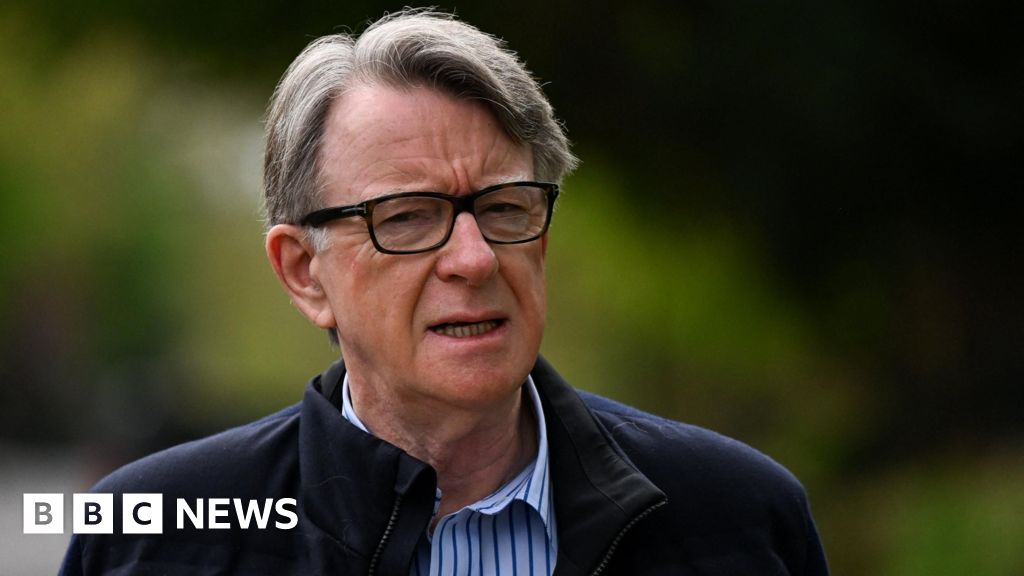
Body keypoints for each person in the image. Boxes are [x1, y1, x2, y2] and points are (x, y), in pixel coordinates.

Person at [61, 9, 829, 575]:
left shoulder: (741, 522)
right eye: (407, 217)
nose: (474, 258)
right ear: (303, 271)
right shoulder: (149, 543)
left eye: (505, 209)